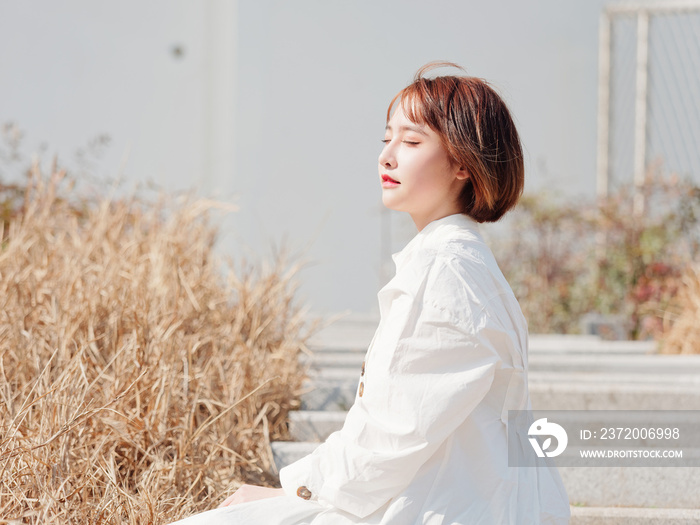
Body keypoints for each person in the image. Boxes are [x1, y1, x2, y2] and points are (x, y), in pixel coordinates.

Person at [170, 62, 571, 525]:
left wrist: (292, 491)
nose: (387, 157)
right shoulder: (459, 264)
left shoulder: (447, 271)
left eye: (412, 141)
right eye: (387, 139)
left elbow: (393, 436)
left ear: (463, 162)